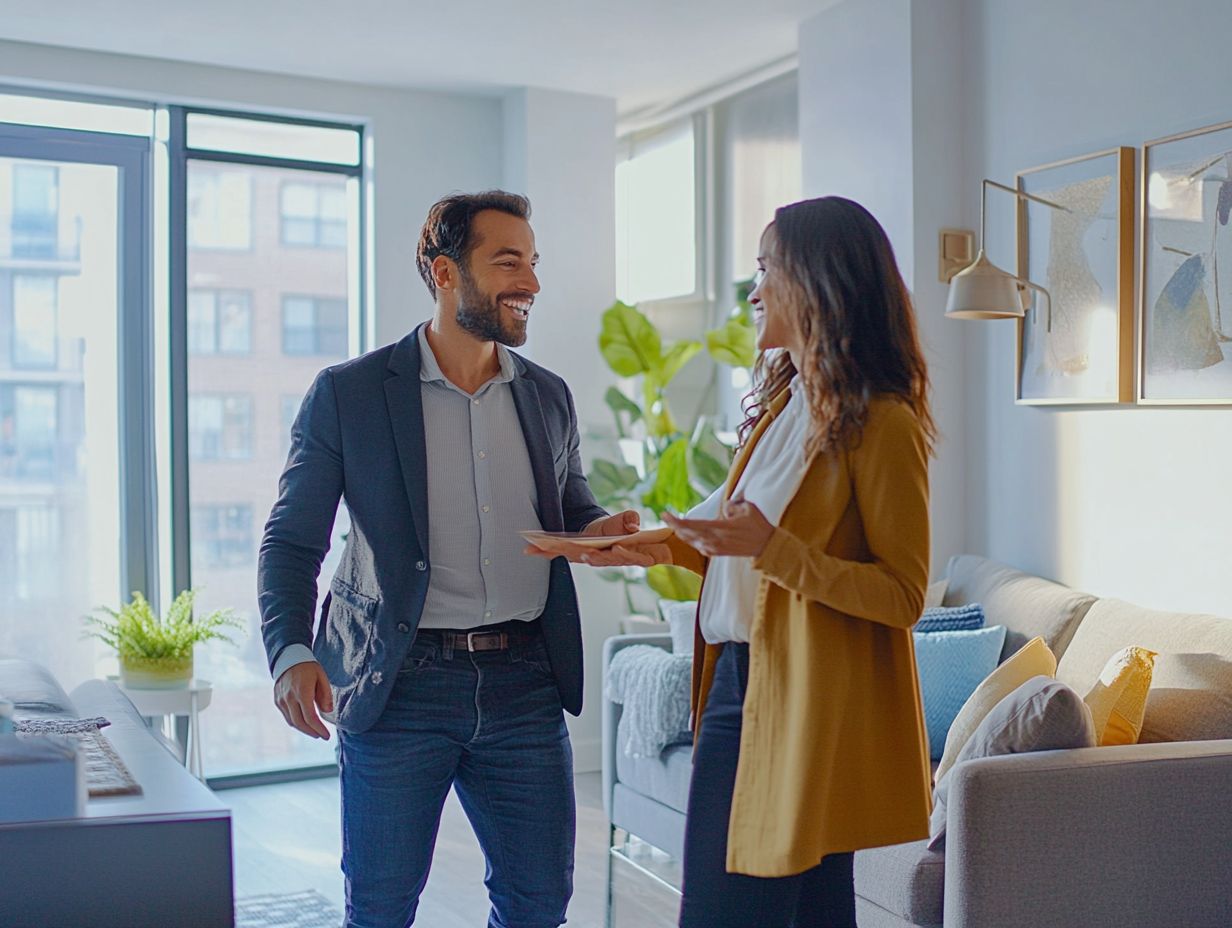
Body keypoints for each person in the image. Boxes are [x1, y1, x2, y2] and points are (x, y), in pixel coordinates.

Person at [258, 190, 644, 928]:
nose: (529, 281)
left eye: (532, 263)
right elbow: (293, 539)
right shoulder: (351, 394)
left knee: (537, 906)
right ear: (443, 272)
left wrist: (601, 532)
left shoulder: (548, 397)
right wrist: (289, 650)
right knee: (380, 908)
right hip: (398, 685)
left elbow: (569, 504)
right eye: (507, 263)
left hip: (524, 683)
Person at [571, 196, 936, 927]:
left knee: (727, 911)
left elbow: (903, 594)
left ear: (816, 283)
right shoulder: (786, 404)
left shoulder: (883, 422)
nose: (754, 289)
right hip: (745, 683)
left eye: (766, 267)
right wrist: (648, 545)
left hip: (806, 702)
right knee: (810, 915)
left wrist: (776, 552)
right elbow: (727, 535)